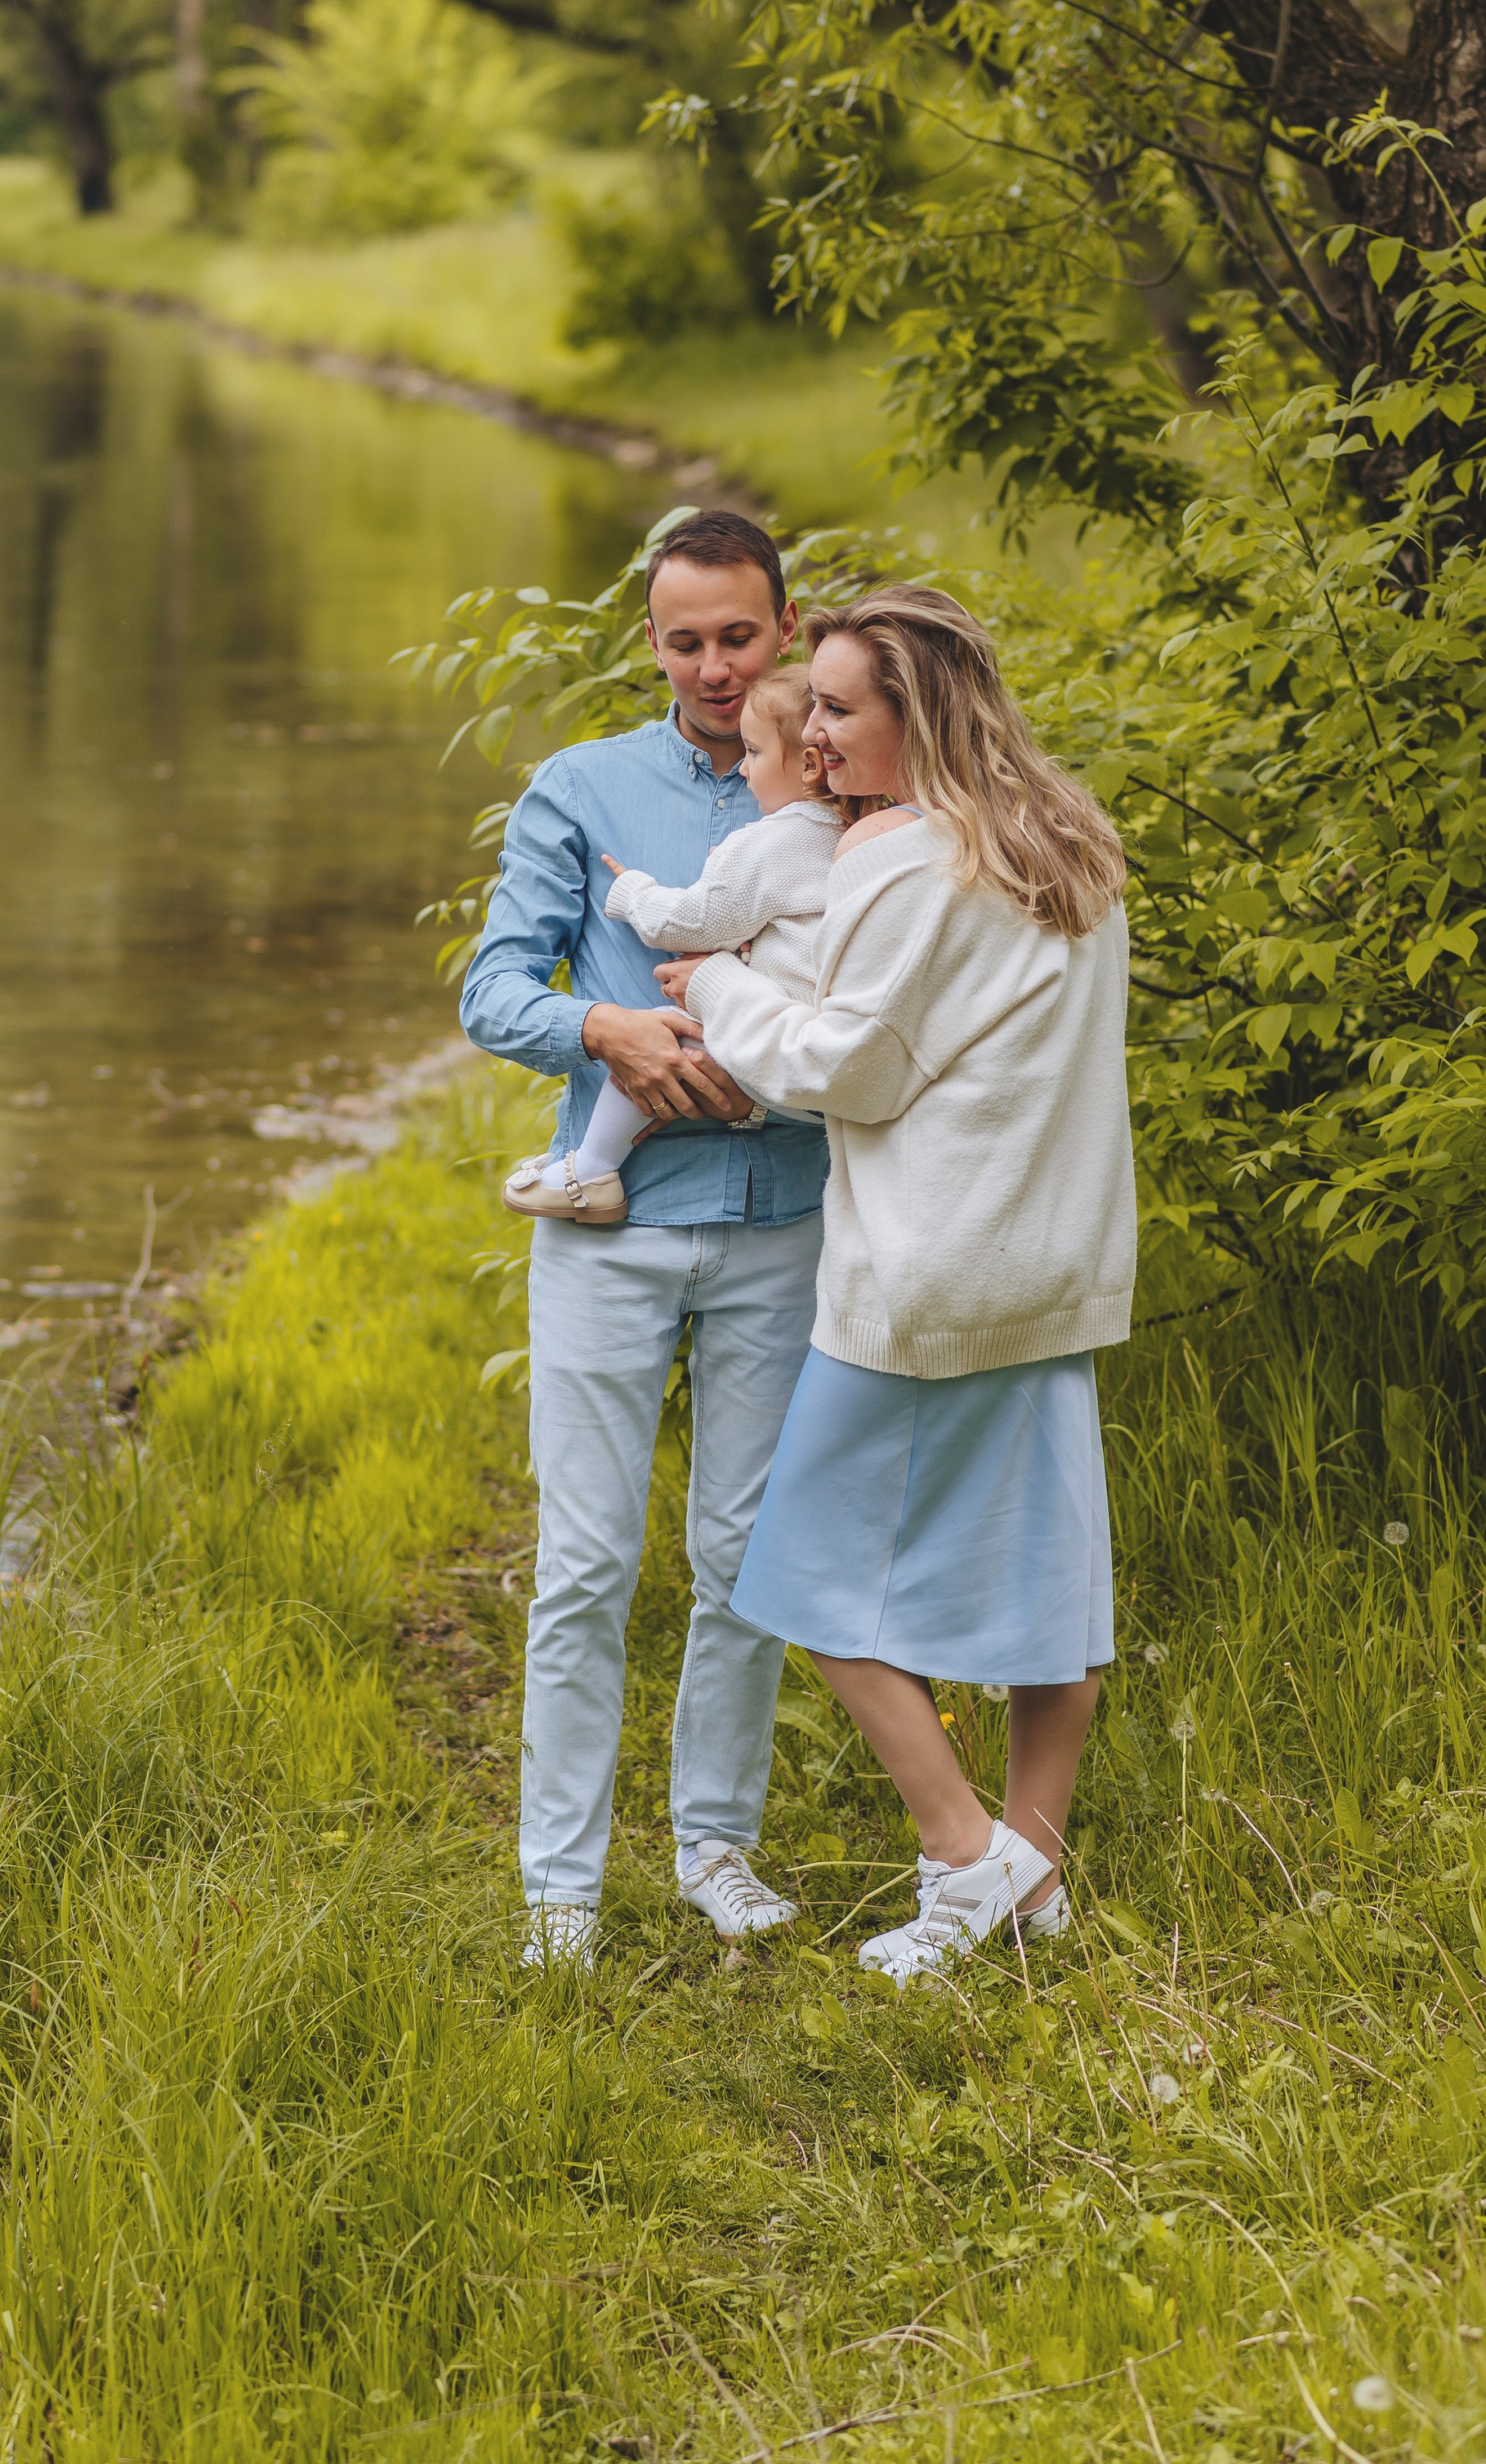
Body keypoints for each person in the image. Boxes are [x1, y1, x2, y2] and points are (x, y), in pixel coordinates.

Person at [655, 583, 1136, 1989]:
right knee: (1049, 1581)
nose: (811, 736)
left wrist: (716, 984)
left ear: (915, 717)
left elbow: (841, 1068)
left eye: (839, 709)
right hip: (1050, 1262)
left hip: (928, 1275)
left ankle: (964, 1852)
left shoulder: (909, 859)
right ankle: (1034, 1875)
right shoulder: (1068, 840)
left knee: (798, 1575)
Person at [459, 511, 828, 1967]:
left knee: (745, 1555)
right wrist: (600, 1024)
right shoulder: (582, 785)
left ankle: (715, 1847)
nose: (716, 666)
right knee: (585, 1562)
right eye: (687, 641)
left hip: (785, 1217)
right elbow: (495, 988)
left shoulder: (849, 780)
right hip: (611, 1232)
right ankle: (560, 1886)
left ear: (785, 625)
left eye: (739, 635)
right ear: (653, 642)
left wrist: (785, 1065)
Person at [502, 663, 841, 1224]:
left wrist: (632, 892)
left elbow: (694, 922)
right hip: (818, 1060)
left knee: (663, 1043)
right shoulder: (853, 833)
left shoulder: (773, 838)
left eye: (754, 753)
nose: (746, 770)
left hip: (764, 1039)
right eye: (686, 644)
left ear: (808, 764)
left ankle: (591, 1169)